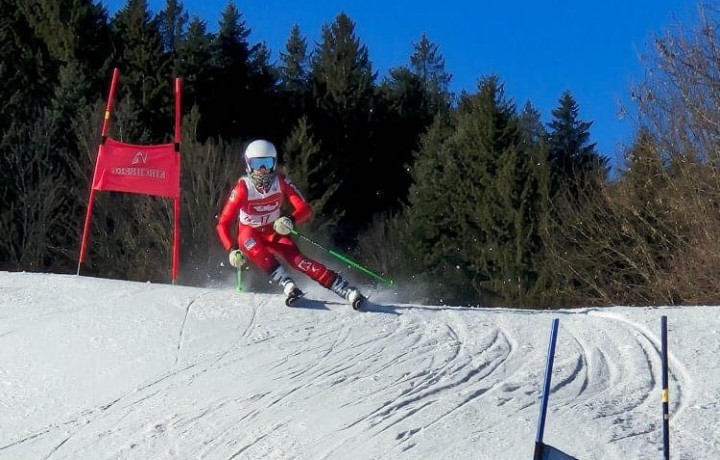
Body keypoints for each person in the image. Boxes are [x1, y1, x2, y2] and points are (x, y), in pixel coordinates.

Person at [216, 139, 363, 306]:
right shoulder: (243, 189)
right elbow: (223, 223)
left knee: (298, 260)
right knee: (249, 241)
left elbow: (304, 209)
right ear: (249, 165)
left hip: (274, 231)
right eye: (258, 164)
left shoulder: (281, 182)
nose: (263, 170)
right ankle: (286, 282)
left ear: (274, 163)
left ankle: (342, 287)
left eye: (267, 163)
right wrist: (232, 249)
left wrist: (290, 219)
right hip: (250, 233)